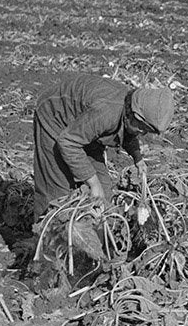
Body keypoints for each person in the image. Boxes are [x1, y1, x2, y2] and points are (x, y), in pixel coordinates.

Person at [32, 72, 174, 221]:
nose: (142, 134)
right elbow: (68, 142)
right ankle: (45, 236)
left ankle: (95, 234)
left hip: (85, 125)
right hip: (55, 116)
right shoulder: (107, 112)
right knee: (57, 192)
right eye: (142, 129)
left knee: (104, 192)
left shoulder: (129, 108)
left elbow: (128, 132)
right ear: (134, 116)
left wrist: (137, 157)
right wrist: (92, 183)